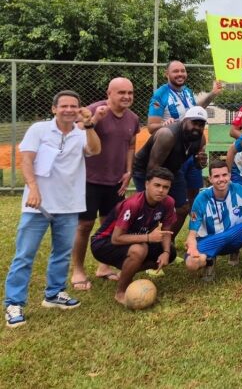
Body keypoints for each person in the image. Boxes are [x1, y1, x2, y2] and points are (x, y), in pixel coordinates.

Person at [5, 90, 103, 329]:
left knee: (61, 253)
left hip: (69, 204)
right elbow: (26, 160)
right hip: (37, 205)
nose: (69, 110)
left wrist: (89, 124)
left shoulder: (81, 133)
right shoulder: (39, 130)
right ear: (54, 109)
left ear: (79, 109)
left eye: (74, 106)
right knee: (24, 255)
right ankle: (14, 303)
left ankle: (54, 293)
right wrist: (33, 189)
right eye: (64, 106)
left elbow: (95, 150)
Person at [70, 77, 141, 291]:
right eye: (121, 92)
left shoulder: (133, 118)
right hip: (89, 179)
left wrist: (128, 171)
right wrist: (95, 119)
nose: (127, 96)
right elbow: (76, 132)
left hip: (116, 181)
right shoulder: (95, 109)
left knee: (110, 225)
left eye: (130, 93)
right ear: (109, 93)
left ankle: (104, 266)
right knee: (84, 225)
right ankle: (78, 270)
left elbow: (131, 146)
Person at [147, 60, 222, 221]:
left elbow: (196, 110)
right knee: (176, 200)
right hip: (174, 153)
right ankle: (162, 227)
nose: (180, 74)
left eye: (183, 70)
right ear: (166, 74)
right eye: (176, 71)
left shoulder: (187, 91)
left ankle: (195, 228)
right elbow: (151, 126)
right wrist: (163, 125)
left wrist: (212, 94)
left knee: (194, 194)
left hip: (191, 150)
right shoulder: (160, 94)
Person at [90, 167, 176, 305]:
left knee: (171, 252)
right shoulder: (133, 203)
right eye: (157, 185)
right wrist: (148, 238)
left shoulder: (168, 202)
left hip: (133, 240)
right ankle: (121, 292)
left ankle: (125, 272)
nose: (161, 190)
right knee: (139, 249)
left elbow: (166, 230)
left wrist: (165, 252)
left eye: (165, 187)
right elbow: (116, 238)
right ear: (147, 184)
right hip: (103, 243)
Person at [132, 106, 208, 245]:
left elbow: (198, 165)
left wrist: (200, 162)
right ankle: (144, 244)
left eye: (201, 125)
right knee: (150, 208)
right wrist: (162, 194)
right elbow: (152, 169)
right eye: (194, 123)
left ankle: (167, 243)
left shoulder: (200, 139)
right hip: (145, 170)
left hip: (173, 169)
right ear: (184, 120)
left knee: (182, 208)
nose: (197, 127)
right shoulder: (167, 135)